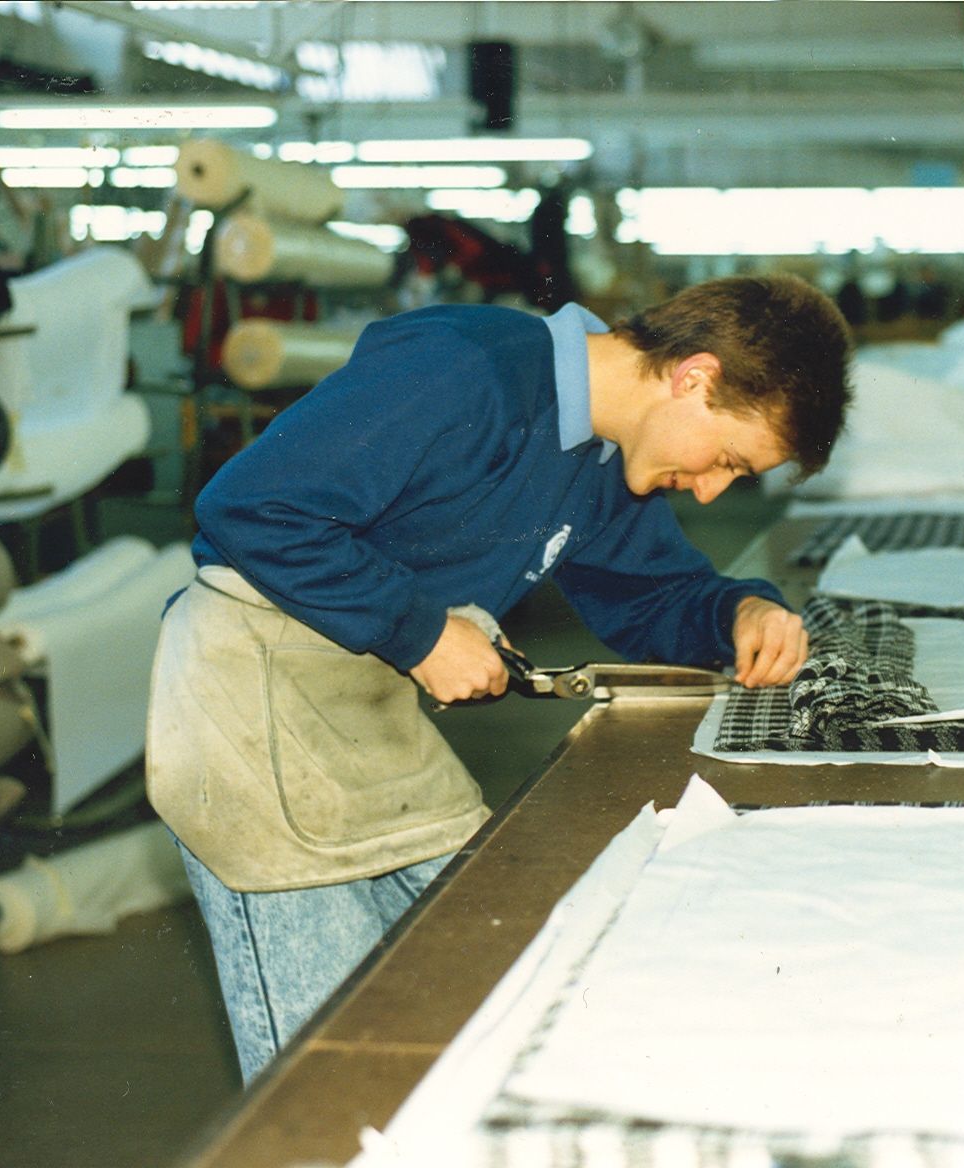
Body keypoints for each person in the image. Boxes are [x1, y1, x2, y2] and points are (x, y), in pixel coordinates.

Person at [146, 274, 853, 1082]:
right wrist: (415, 631)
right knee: (321, 1059)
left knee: (483, 970)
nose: (710, 489)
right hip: (252, 699)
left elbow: (649, 590)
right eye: (725, 459)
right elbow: (251, 505)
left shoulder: (602, 451)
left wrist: (740, 614)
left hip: (361, 703)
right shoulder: (465, 369)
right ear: (693, 378)